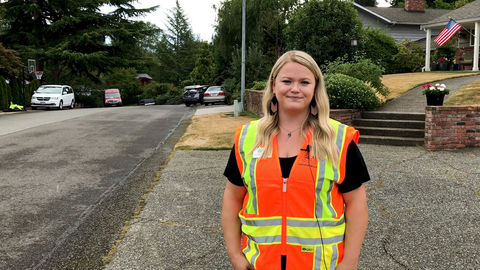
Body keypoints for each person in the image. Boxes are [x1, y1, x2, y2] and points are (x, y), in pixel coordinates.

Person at [222, 50, 369, 270]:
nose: (295, 89)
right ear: (273, 85)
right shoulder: (247, 139)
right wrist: (235, 255)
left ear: (315, 88)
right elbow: (232, 199)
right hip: (260, 264)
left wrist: (349, 262)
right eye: (287, 81)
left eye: (304, 82)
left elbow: (357, 204)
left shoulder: (338, 140)